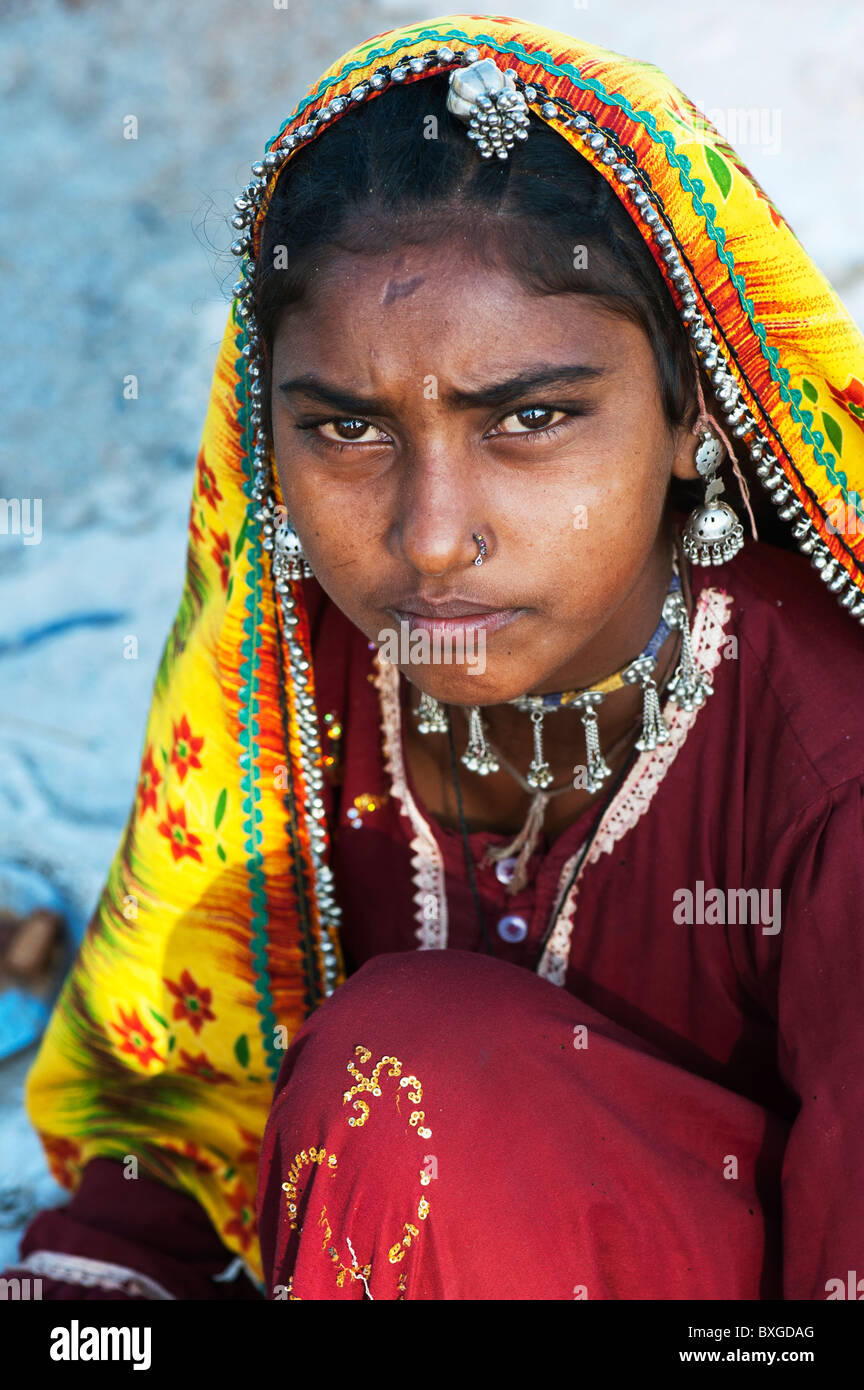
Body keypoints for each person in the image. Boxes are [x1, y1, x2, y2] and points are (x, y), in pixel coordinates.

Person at [7, 12, 864, 1301]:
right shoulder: (294, 671)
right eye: (345, 431)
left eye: (530, 418)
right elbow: (163, 1176)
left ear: (692, 411)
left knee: (412, 1066)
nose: (429, 538)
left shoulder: (829, 771)